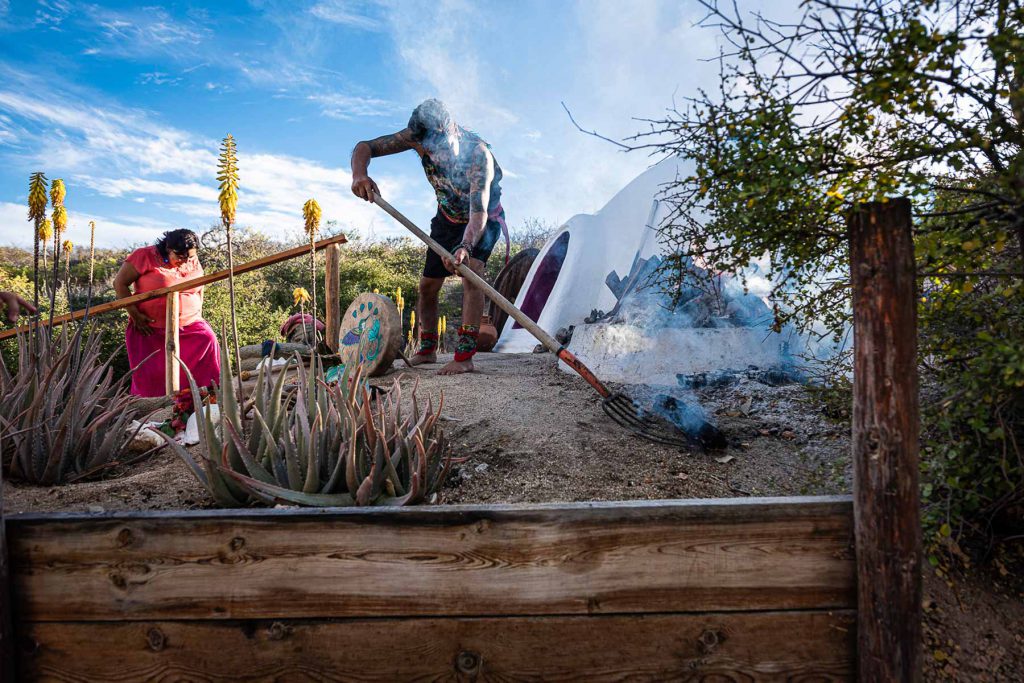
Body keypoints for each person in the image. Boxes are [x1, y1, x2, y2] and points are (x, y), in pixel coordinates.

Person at [350, 98, 508, 375]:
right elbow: (365, 147)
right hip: (446, 218)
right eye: (430, 150)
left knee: (471, 274)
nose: (438, 156)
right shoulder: (415, 137)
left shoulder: (478, 155)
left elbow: (478, 213)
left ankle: (464, 356)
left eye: (443, 147)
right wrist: (359, 174)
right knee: (427, 286)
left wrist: (465, 246)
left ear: (452, 130)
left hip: (482, 219)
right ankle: (427, 349)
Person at [113, 229, 220, 397]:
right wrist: (135, 315)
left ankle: (206, 400)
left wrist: (198, 311)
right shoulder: (144, 256)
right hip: (150, 328)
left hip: (191, 325)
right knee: (154, 378)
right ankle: (156, 414)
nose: (185, 261)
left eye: (190, 257)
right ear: (168, 248)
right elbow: (119, 284)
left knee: (208, 342)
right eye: (180, 257)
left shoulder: (191, 258)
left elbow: (199, 285)